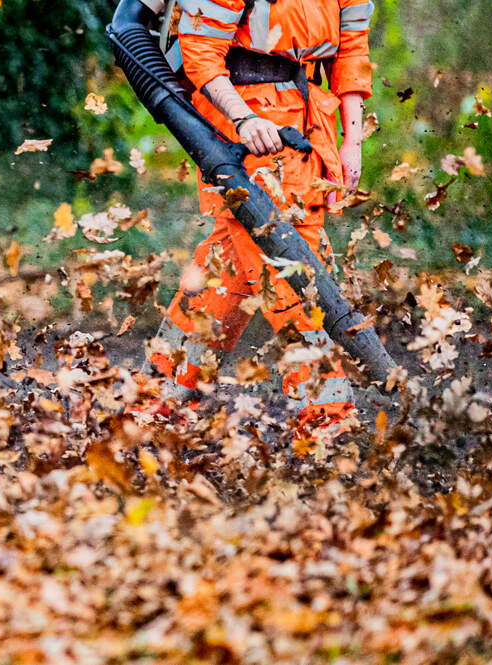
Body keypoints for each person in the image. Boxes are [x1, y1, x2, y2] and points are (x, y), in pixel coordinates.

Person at [146, 0, 373, 442]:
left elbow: (352, 51)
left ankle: (157, 400)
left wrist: (353, 141)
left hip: (305, 118)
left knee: (226, 273)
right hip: (245, 124)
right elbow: (199, 50)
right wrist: (243, 118)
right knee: (292, 267)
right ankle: (327, 418)